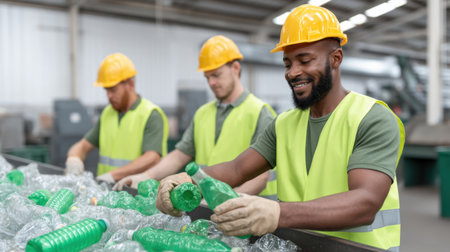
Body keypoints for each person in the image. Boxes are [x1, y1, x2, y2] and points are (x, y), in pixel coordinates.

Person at [155, 5, 405, 252]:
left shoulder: (372, 118)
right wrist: (190, 180)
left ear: (335, 58)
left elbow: (365, 202)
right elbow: (237, 168)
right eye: (288, 63)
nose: (294, 72)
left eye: (305, 60)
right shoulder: (284, 124)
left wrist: (277, 212)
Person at [113, 35, 277, 200]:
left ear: (235, 68)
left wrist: (228, 200)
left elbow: (261, 177)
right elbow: (179, 156)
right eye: (207, 77)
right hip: (208, 210)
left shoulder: (260, 112)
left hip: (248, 215)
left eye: (216, 75)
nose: (211, 82)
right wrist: (146, 176)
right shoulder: (202, 113)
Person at [64, 53, 169, 184]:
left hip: (139, 196)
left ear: (130, 84)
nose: (108, 96)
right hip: (107, 194)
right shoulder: (108, 113)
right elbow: (83, 145)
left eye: (113, 90)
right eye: (106, 90)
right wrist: (74, 159)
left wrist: (112, 176)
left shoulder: (151, 114)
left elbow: (152, 158)